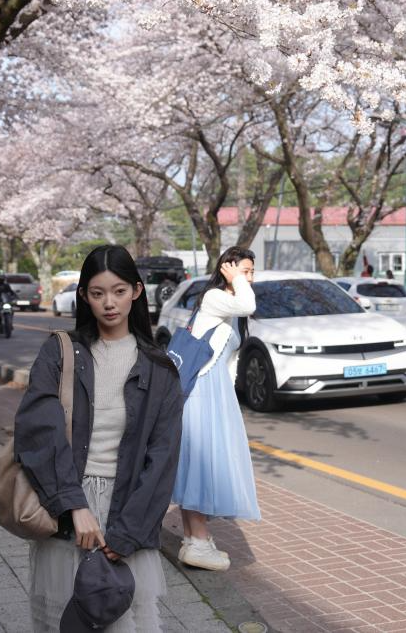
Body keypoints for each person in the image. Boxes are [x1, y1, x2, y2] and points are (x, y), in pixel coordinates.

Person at [14, 245, 184, 632]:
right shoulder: (60, 354)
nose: (109, 303)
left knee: (125, 621)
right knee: (66, 619)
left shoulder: (159, 369)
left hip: (128, 507)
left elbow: (163, 459)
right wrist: (74, 506)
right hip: (66, 503)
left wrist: (127, 535)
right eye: (97, 293)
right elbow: (38, 432)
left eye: (119, 291)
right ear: (83, 296)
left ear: (136, 291)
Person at [172, 246, 259, 571]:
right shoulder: (214, 298)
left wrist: (229, 397)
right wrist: (237, 279)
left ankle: (195, 540)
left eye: (251, 272)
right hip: (200, 391)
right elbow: (249, 304)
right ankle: (198, 541)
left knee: (196, 464)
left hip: (214, 391)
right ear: (227, 269)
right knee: (199, 463)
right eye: (244, 270)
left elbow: (229, 359)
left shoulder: (229, 305)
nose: (249, 278)